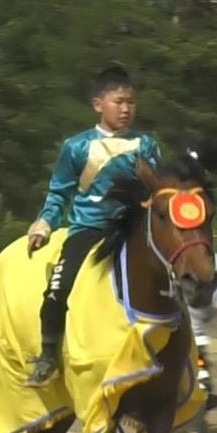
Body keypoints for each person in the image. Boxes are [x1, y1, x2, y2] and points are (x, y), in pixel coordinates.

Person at [25, 64, 162, 386]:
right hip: (90, 229)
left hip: (133, 229)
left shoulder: (146, 145)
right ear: (98, 104)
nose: (126, 109)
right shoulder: (76, 147)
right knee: (58, 289)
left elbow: (157, 190)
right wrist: (44, 224)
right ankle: (47, 356)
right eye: (119, 102)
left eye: (131, 102)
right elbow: (59, 192)